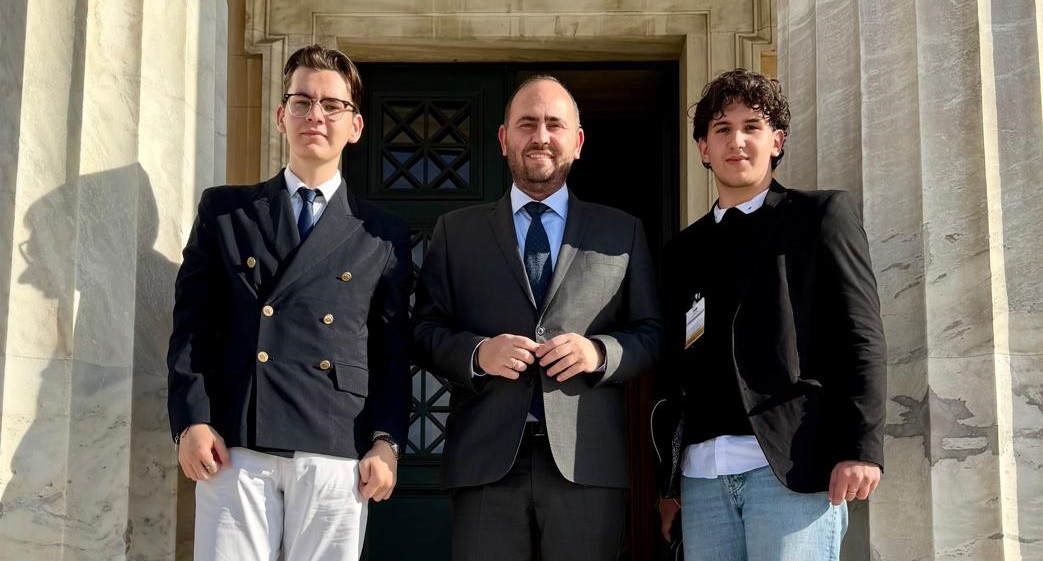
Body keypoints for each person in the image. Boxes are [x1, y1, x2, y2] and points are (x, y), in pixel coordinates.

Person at [167, 44, 413, 561]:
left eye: (332, 105)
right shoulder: (226, 211)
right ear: (281, 116)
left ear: (356, 126)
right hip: (235, 441)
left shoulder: (383, 233)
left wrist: (387, 441)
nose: (315, 115)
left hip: (336, 442)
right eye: (302, 102)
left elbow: (391, 352)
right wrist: (191, 420)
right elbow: (192, 326)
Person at [412, 75, 661, 561]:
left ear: (578, 142)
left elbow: (652, 335)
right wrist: (479, 353)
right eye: (527, 124)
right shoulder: (456, 232)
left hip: (587, 464)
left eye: (554, 124)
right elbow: (423, 331)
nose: (540, 136)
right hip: (485, 465)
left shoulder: (622, 232)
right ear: (504, 138)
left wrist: (599, 352)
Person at [654, 68, 887, 560]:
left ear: (776, 141)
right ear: (703, 148)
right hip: (702, 479)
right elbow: (674, 370)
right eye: (722, 129)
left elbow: (861, 337)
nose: (736, 141)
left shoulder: (820, 217)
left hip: (790, 470)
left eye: (751, 127)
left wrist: (860, 448)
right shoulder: (681, 251)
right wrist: (670, 483)